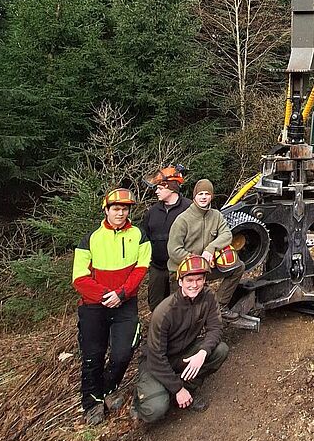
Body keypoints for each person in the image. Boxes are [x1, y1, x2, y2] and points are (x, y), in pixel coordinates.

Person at [73, 188, 151, 424]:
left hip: (125, 304)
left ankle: (107, 389)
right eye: (116, 208)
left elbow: (141, 268)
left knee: (122, 352)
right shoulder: (90, 239)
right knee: (92, 356)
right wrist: (107, 295)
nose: (120, 213)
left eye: (125, 209)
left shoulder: (139, 235)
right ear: (106, 210)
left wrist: (122, 294)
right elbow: (79, 278)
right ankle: (91, 403)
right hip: (94, 307)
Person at [131, 255, 229, 423]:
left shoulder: (208, 297)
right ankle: (141, 398)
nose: (194, 284)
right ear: (181, 281)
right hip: (156, 362)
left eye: (199, 279)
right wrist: (177, 389)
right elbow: (156, 357)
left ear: (204, 279)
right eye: (189, 280)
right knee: (156, 409)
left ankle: (188, 389)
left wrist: (203, 352)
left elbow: (215, 328)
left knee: (220, 350)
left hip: (183, 354)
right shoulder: (164, 311)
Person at [167, 178, 245, 321]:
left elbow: (227, 234)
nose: (203, 197)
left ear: (211, 196)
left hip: (207, 268)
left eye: (207, 194)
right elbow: (174, 251)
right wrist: (198, 262)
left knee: (238, 267)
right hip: (183, 271)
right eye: (200, 194)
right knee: (184, 315)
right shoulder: (182, 220)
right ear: (194, 196)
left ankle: (220, 306)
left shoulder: (216, 215)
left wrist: (210, 249)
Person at [142, 165, 191, 311]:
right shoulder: (152, 212)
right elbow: (145, 237)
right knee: (156, 306)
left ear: (170, 187)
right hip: (157, 267)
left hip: (180, 267)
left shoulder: (189, 208)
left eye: (160, 188)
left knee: (181, 306)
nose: (156, 191)